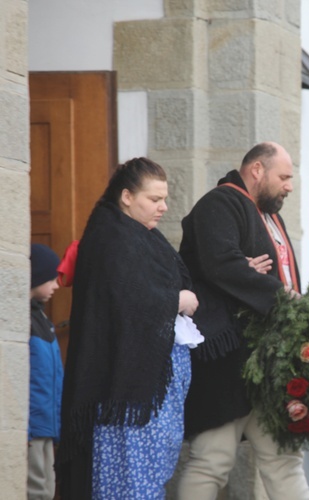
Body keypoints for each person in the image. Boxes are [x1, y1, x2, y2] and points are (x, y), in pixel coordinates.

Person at [56, 158, 200, 499]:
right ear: (126, 196)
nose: (163, 207)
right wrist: (176, 300)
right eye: (154, 199)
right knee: (130, 483)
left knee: (148, 480)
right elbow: (129, 302)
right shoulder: (111, 238)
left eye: (164, 198)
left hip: (149, 388)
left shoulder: (141, 236)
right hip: (125, 393)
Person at [177, 142, 309, 500]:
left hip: (269, 362)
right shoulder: (219, 203)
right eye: (283, 177)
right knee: (212, 461)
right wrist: (285, 299)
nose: (289, 186)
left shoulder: (271, 215)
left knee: (284, 460)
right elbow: (221, 265)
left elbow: (236, 269)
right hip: (229, 358)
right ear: (256, 170)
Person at [28, 244, 64, 500]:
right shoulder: (22, 322)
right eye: (51, 278)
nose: (56, 285)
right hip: (31, 427)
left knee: (47, 488)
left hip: (47, 425)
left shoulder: (42, 319)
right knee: (35, 488)